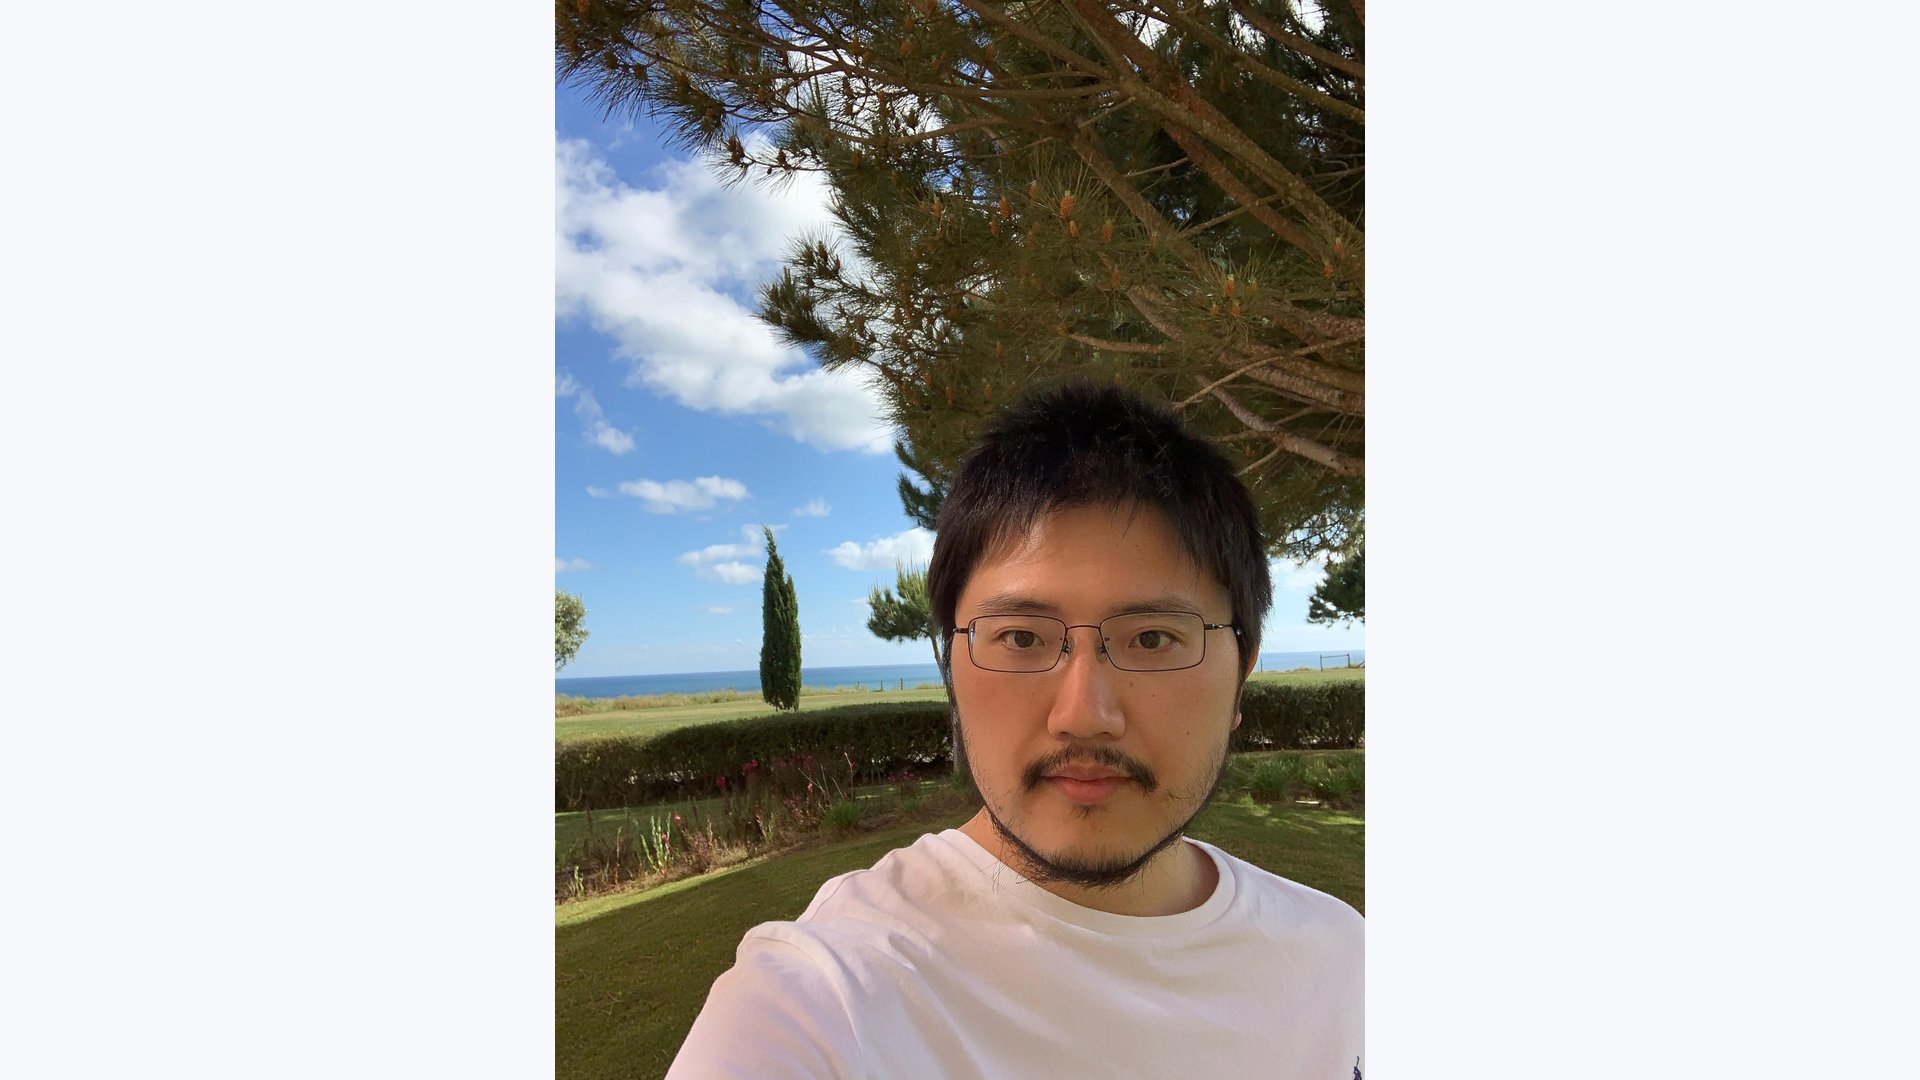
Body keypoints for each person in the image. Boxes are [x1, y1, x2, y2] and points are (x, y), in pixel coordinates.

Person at [665, 382, 1364, 1079]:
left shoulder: (1343, 959)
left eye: (1153, 638)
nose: (1083, 715)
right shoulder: (828, 1001)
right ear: (951, 668)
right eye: (1022, 638)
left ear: (1242, 671)